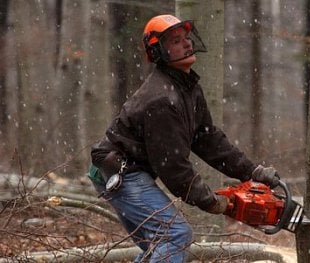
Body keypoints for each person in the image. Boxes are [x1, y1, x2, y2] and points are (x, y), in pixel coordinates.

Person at [88, 14, 280, 263]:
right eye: (176, 41)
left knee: (159, 247)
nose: (187, 44)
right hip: (119, 172)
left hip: (130, 170)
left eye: (186, 38)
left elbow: (209, 141)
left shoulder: (187, 88)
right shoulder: (161, 101)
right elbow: (172, 166)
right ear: (159, 52)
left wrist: (252, 172)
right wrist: (208, 201)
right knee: (174, 236)